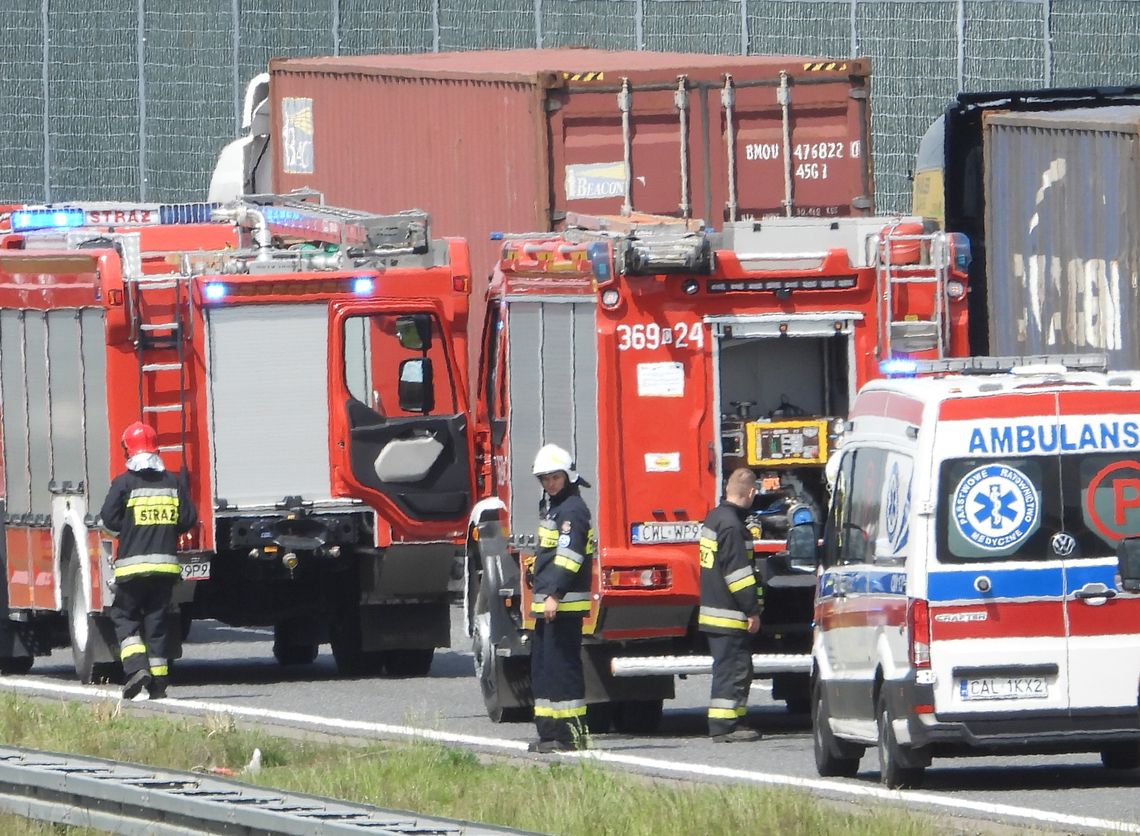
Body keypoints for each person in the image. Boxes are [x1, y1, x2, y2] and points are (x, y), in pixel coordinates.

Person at [100, 422, 197, 701]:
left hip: (132, 568)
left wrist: (130, 527)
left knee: (124, 615)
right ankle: (159, 683)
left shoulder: (124, 483)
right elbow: (188, 519)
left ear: (127, 450)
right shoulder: (172, 482)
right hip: (165, 568)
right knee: (157, 622)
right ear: (156, 449)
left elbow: (108, 518)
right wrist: (166, 529)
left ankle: (135, 669)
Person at [527, 443, 594, 753]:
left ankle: (570, 735)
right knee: (544, 669)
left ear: (567, 476)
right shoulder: (554, 508)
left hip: (563, 604)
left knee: (563, 669)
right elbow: (551, 552)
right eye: (544, 479)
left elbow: (570, 558)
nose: (549, 484)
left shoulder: (573, 510)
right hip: (548, 604)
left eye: (554, 477)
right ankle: (549, 733)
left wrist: (554, 593)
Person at [699, 467, 762, 742]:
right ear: (751, 492)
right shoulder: (733, 526)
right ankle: (725, 727)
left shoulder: (715, 518)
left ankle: (736, 718)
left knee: (732, 667)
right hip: (730, 612)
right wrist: (752, 609)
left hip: (715, 610)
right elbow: (738, 574)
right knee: (734, 669)